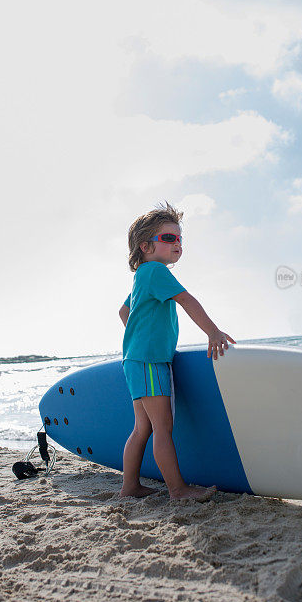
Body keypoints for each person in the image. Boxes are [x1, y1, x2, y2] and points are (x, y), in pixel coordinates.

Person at [118, 201, 236, 501]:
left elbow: (123, 312)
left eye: (179, 238)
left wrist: (138, 337)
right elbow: (187, 300)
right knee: (163, 427)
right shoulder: (156, 272)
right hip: (149, 361)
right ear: (145, 246)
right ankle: (177, 490)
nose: (177, 244)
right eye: (168, 238)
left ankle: (129, 487)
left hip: (137, 359)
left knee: (142, 428)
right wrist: (213, 331)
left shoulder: (142, 276)